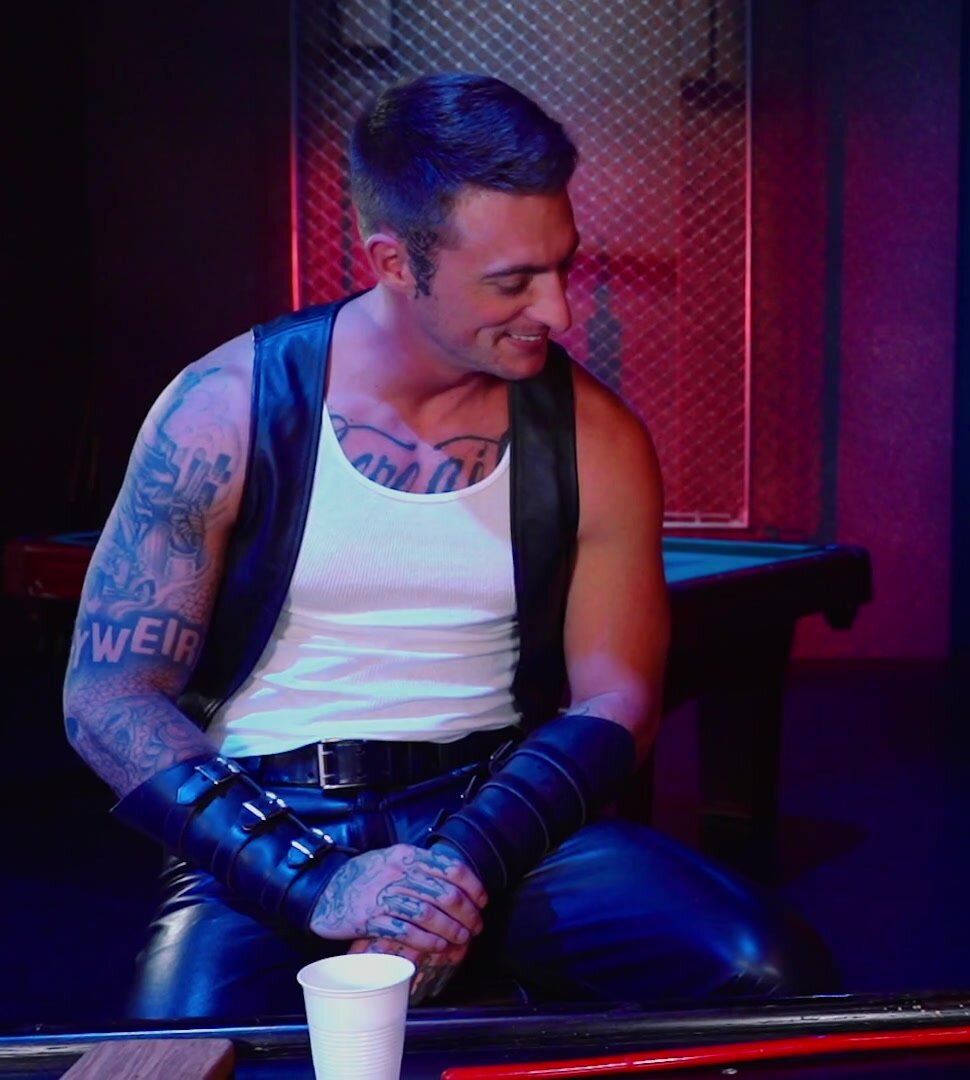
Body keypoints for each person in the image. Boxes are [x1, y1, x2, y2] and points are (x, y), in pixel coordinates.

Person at [62, 72, 834, 1019]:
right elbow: (106, 697)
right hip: (270, 823)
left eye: (562, 266)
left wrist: (452, 869)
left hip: (494, 812)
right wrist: (318, 883)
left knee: (768, 971)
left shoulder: (598, 436)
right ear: (395, 262)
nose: (557, 311)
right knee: (180, 1056)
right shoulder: (225, 407)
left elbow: (618, 701)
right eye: (512, 282)